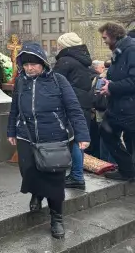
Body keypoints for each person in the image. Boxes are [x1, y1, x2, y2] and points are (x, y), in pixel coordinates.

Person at [7, 43, 90, 239]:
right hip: (26, 136)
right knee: (28, 170)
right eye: (26, 64)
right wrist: (11, 130)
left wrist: (82, 135)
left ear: (43, 63)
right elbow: (14, 110)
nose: (29, 68)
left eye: (34, 64)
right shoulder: (21, 82)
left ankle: (57, 218)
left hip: (54, 138)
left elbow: (74, 109)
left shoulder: (58, 81)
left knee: (54, 179)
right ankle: (37, 194)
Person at [52, 32, 94, 190]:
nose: (58, 47)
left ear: (65, 45)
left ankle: (76, 175)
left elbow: (54, 82)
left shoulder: (65, 61)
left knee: (74, 140)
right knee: (79, 139)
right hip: (83, 103)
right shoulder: (82, 61)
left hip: (71, 104)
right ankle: (77, 174)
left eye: (59, 45)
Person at [97, 22, 135, 181]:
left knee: (108, 131)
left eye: (105, 37)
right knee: (108, 131)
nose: (104, 41)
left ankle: (128, 170)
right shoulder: (120, 51)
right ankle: (128, 169)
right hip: (120, 106)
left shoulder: (130, 50)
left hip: (128, 107)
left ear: (114, 35)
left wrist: (111, 87)